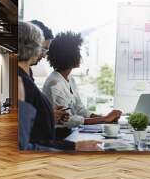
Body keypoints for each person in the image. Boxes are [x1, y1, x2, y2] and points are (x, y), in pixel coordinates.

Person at [18, 22, 100, 151]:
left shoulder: (28, 77)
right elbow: (25, 141)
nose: (44, 54)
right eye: (43, 48)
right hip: (50, 145)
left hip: (50, 144)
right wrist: (75, 147)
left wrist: (50, 115)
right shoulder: (23, 81)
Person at [42, 31, 122, 130]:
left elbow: (80, 110)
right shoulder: (55, 83)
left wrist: (106, 117)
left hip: (70, 132)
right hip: (59, 135)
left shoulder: (69, 79)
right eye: (78, 51)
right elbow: (67, 120)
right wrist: (104, 119)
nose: (80, 56)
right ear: (69, 55)